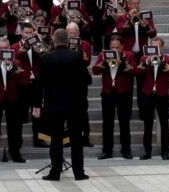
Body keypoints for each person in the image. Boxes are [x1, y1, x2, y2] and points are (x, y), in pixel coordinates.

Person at [33, 29, 92, 182]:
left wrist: (37, 105)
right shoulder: (76, 56)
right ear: (67, 41)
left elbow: (39, 84)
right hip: (75, 105)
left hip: (54, 104)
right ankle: (79, 173)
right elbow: (87, 80)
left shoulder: (45, 58)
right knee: (76, 140)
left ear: (53, 40)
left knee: (56, 139)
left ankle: (55, 172)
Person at [92, 34, 136, 160]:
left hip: (124, 93)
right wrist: (104, 64)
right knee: (107, 123)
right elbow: (95, 70)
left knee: (124, 123)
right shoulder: (102, 55)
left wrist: (121, 63)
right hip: (108, 93)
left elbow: (133, 72)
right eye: (112, 47)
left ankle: (126, 150)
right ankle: (107, 150)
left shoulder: (129, 55)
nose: (115, 50)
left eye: (117, 47)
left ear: (122, 46)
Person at [0, 38, 26, 164]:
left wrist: (12, 66)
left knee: (14, 127)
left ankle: (15, 153)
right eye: (1, 49)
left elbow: (23, 76)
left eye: (5, 48)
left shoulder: (16, 61)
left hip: (12, 97)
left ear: (10, 49)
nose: (3, 50)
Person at [136, 37, 169, 160]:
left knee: (164, 124)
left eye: (157, 47)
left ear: (162, 47)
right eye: (153, 47)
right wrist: (147, 61)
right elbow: (137, 73)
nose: (155, 50)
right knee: (147, 125)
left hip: (162, 95)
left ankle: (165, 151)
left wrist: (162, 63)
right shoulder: (144, 58)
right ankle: (147, 151)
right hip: (148, 95)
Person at [67, 22, 94, 148]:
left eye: (74, 33)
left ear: (79, 34)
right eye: (70, 33)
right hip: (67, 81)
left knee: (83, 109)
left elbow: (87, 62)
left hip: (81, 81)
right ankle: (67, 137)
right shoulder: (63, 45)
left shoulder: (85, 45)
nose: (72, 35)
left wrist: (80, 52)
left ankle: (85, 136)